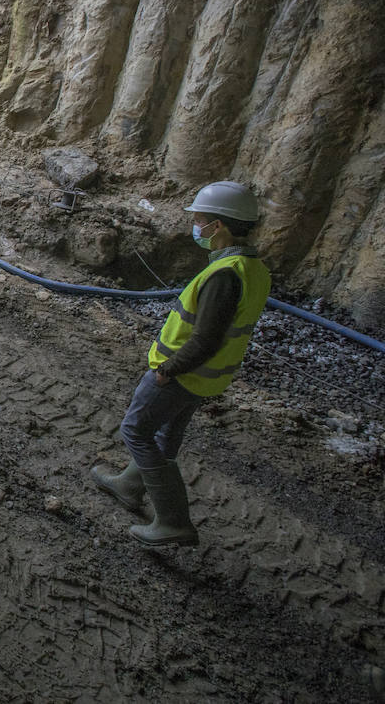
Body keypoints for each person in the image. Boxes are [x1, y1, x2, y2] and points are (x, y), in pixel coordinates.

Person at [91, 181, 271, 546]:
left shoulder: (224, 275)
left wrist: (167, 370)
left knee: (136, 431)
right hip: (208, 378)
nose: (197, 227)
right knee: (165, 434)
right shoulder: (252, 268)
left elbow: (205, 338)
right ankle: (129, 484)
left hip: (182, 373)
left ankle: (173, 521)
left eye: (200, 220)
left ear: (218, 226)